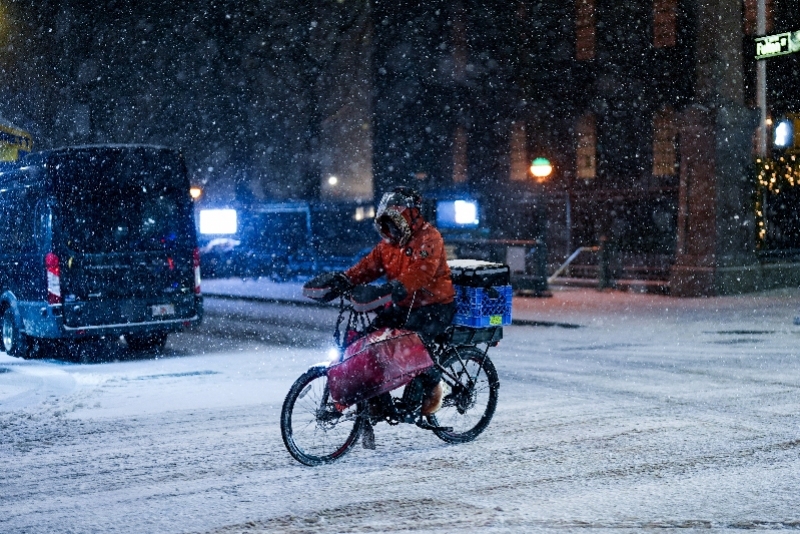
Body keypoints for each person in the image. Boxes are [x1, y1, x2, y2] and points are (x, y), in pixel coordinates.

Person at [332, 186, 455, 421]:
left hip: (435, 307)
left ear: (409, 215)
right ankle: (377, 399)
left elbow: (422, 271)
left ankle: (434, 386)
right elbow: (368, 266)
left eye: (395, 219)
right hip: (403, 305)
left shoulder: (429, 237)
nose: (391, 227)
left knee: (415, 349)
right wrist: (345, 279)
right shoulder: (388, 244)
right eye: (387, 221)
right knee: (366, 341)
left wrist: (396, 287)